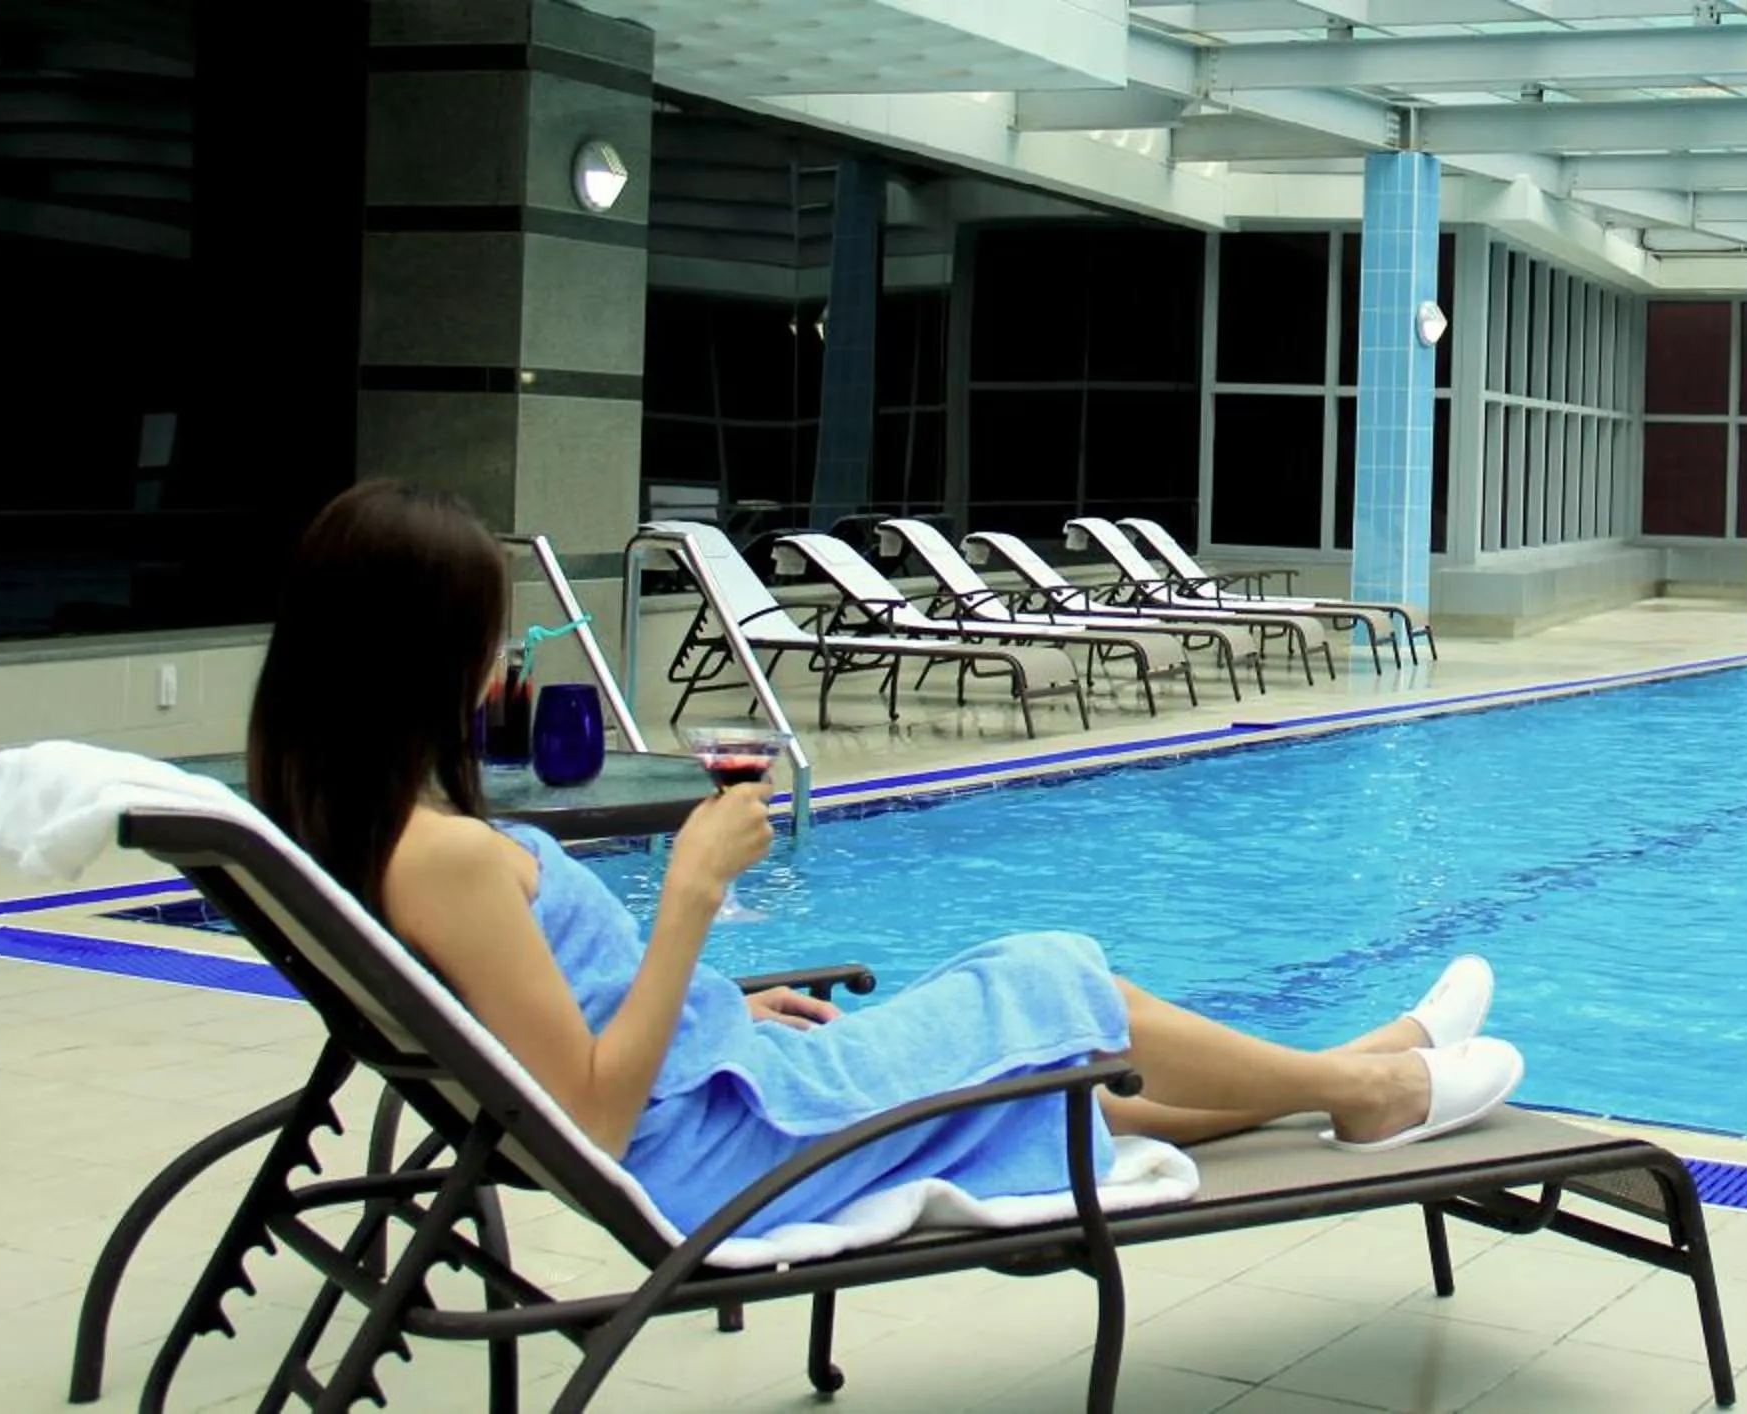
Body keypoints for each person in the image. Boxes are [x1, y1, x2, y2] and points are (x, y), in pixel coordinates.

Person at [244, 481, 1522, 1237]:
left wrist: (715, 1007)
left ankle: (1365, 1060)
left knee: (1059, 1070)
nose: (502, 661)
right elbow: (590, 1116)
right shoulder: (446, 858)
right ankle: (1368, 1092)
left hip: (724, 1089)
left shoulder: (360, 832)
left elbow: (557, 1038)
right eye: (486, 633)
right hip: (724, 1152)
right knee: (1049, 978)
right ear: (417, 655)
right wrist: (690, 895)